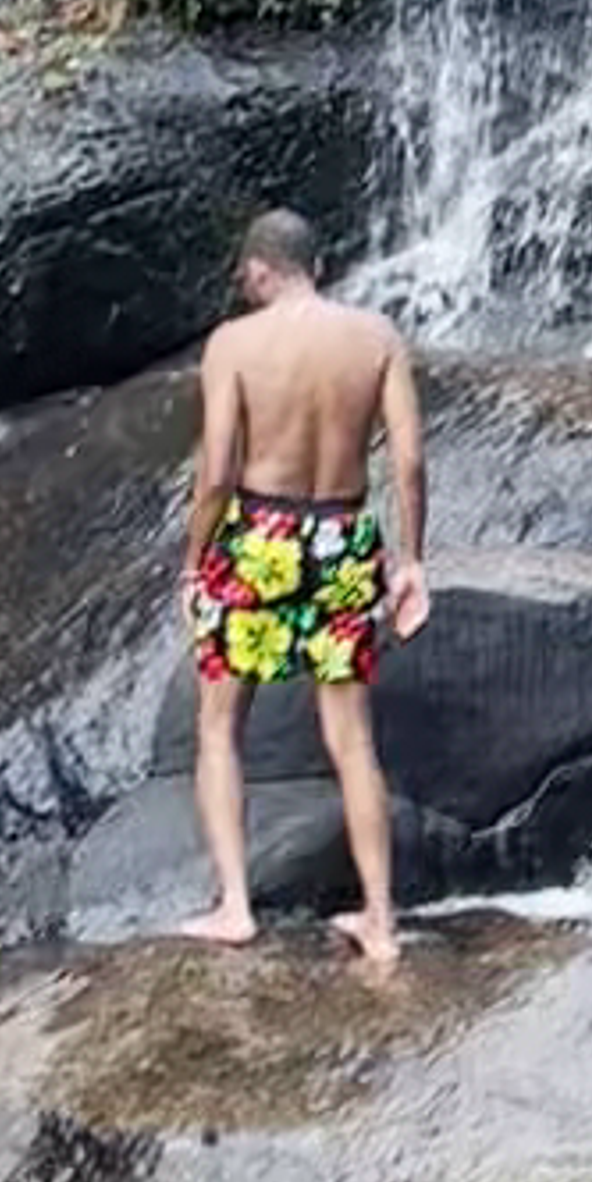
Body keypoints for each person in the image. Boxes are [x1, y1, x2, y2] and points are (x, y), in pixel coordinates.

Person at [179, 212, 431, 960]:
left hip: (259, 534)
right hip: (343, 534)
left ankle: (234, 906)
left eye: (244, 279)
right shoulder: (377, 337)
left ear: (259, 270)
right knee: (352, 738)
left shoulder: (234, 343)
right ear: (313, 264)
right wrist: (411, 558)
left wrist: (196, 560)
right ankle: (381, 919)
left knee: (220, 724)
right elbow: (409, 461)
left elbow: (218, 469)